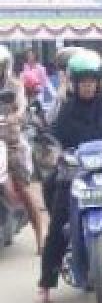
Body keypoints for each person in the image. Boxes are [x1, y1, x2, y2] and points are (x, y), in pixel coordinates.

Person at [36, 52, 102, 303]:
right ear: (74, 84)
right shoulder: (64, 112)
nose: (87, 86)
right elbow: (51, 139)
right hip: (75, 175)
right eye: (82, 81)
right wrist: (55, 154)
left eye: (91, 81)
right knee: (59, 223)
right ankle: (46, 282)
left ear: (99, 82)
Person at [0, 46, 45, 251]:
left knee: (24, 188)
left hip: (11, 142)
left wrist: (16, 115)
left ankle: (40, 238)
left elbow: (22, 104)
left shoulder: (15, 85)